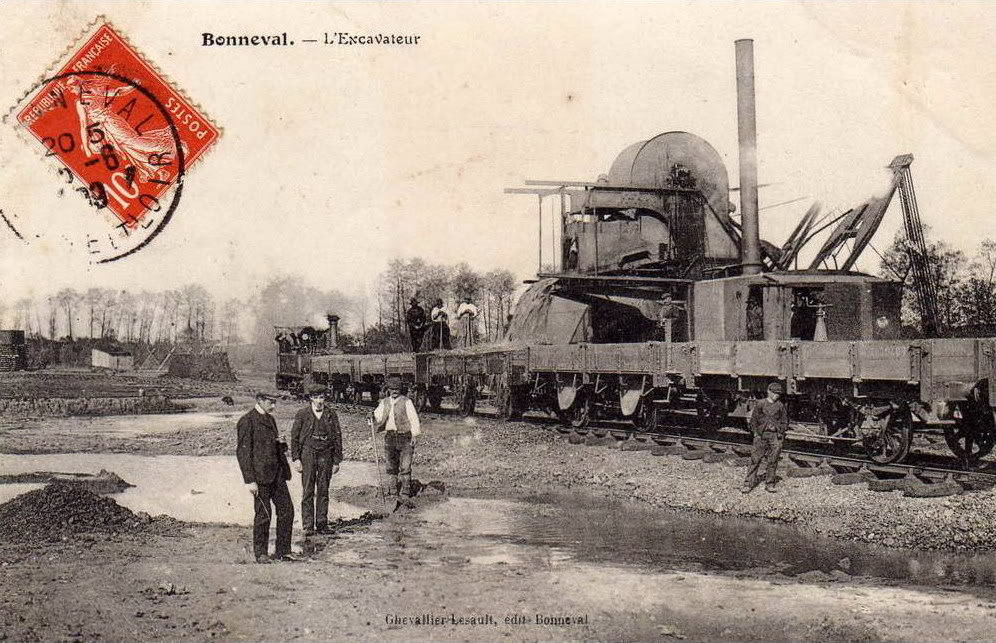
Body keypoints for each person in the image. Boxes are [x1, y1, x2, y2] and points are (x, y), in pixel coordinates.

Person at [236, 391, 295, 563]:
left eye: (275, 402)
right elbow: (243, 453)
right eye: (271, 402)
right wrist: (249, 480)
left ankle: (283, 551)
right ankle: (261, 553)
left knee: (287, 510)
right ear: (260, 400)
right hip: (260, 477)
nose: (274, 406)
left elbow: (272, 447)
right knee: (264, 514)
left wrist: (281, 444)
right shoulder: (247, 421)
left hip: (277, 474)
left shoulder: (270, 419)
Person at [291, 386, 343, 536]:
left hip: (326, 453)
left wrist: (336, 461)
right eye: (316, 397)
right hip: (308, 452)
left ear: (325, 398)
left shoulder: (331, 414)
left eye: (321, 397)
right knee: (308, 489)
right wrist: (296, 458)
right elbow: (294, 437)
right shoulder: (302, 414)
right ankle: (308, 525)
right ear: (311, 398)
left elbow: (337, 437)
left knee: (323, 489)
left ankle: (322, 524)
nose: (319, 401)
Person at [373, 376, 422, 499]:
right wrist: (371, 417)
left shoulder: (407, 402)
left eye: (397, 389)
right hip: (390, 437)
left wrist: (415, 435)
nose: (394, 391)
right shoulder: (384, 402)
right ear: (388, 390)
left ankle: (405, 492)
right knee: (391, 465)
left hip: (405, 437)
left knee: (405, 466)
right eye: (392, 389)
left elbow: (414, 419)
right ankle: (393, 491)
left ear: (400, 389)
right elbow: (377, 416)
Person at [742, 382, 789, 494]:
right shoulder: (760, 404)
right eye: (774, 393)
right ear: (769, 392)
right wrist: (756, 434)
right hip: (761, 436)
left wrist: (780, 433)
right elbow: (753, 420)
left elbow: (784, 422)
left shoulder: (780, 406)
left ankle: (770, 484)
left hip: (774, 436)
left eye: (778, 394)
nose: (776, 395)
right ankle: (748, 484)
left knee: (773, 461)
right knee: (755, 460)